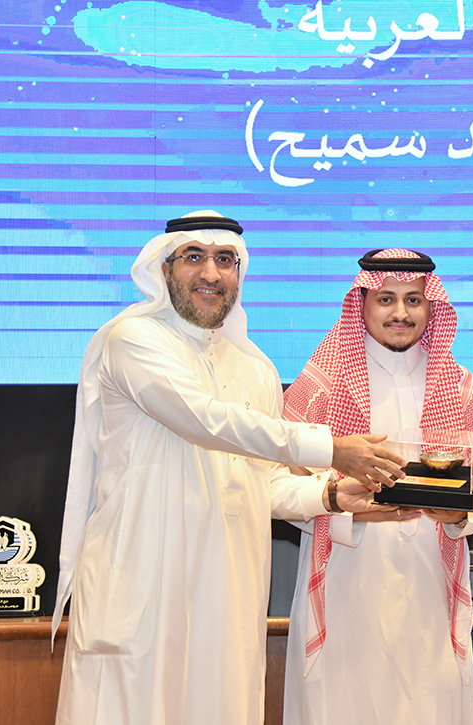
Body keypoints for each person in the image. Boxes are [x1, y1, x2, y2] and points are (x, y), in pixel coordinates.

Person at [51, 211, 406, 724]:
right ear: (165, 268)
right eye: (193, 257)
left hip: (226, 589)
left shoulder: (255, 368)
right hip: (142, 579)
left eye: (225, 260)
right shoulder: (132, 340)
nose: (210, 273)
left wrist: (329, 495)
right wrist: (330, 447)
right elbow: (205, 420)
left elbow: (260, 483)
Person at [280, 248, 473, 724]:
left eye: (413, 300)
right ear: (361, 303)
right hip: (346, 581)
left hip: (430, 585)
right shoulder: (321, 385)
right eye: (386, 299)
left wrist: (461, 516)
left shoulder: (460, 387)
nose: (400, 313)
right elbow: (279, 487)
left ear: (430, 306)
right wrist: (345, 506)